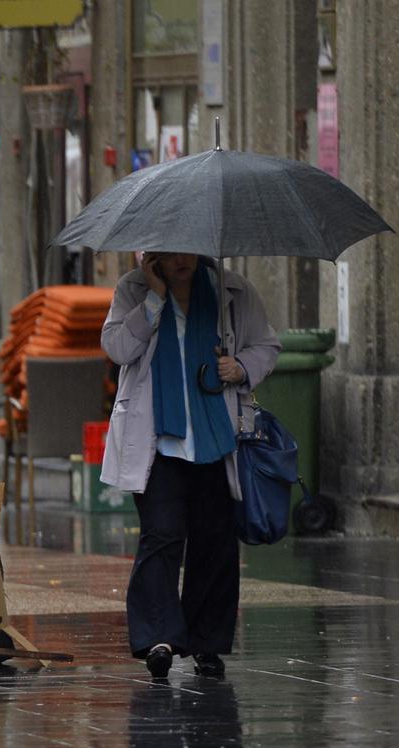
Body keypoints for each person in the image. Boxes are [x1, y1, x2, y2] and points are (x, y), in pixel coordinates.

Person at [100, 252, 280, 679]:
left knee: (214, 540)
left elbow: (266, 345)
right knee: (161, 533)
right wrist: (154, 301)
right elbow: (117, 348)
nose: (180, 260)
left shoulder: (231, 291)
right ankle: (157, 638)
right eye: (168, 252)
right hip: (156, 438)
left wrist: (241, 366)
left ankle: (207, 642)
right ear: (152, 257)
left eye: (187, 250)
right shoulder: (133, 289)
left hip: (216, 437)